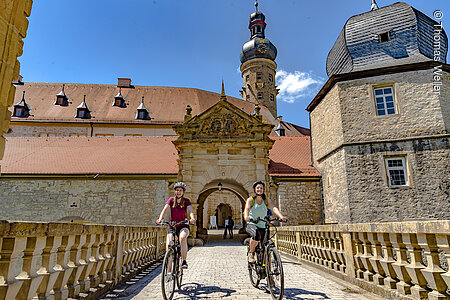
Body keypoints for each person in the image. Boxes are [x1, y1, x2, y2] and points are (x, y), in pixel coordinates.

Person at [244, 181, 286, 263]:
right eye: (258, 188)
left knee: (266, 247)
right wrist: (246, 217)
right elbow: (247, 209)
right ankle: (251, 253)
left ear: (263, 189)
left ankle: (268, 271)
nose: (259, 189)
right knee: (256, 235)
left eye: (261, 188)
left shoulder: (266, 200)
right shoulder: (251, 200)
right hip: (252, 223)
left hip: (263, 225)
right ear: (255, 189)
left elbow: (273, 208)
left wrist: (281, 217)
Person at [156, 182, 195, 269]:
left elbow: (190, 210)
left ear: (183, 192)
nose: (179, 192)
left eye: (180, 190)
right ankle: (169, 272)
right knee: (169, 247)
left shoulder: (186, 201)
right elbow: (164, 209)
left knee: (182, 238)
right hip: (172, 226)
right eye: (177, 190)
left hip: (183, 225)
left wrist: (192, 218)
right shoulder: (171, 200)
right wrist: (160, 219)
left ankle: (184, 261)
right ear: (175, 192)